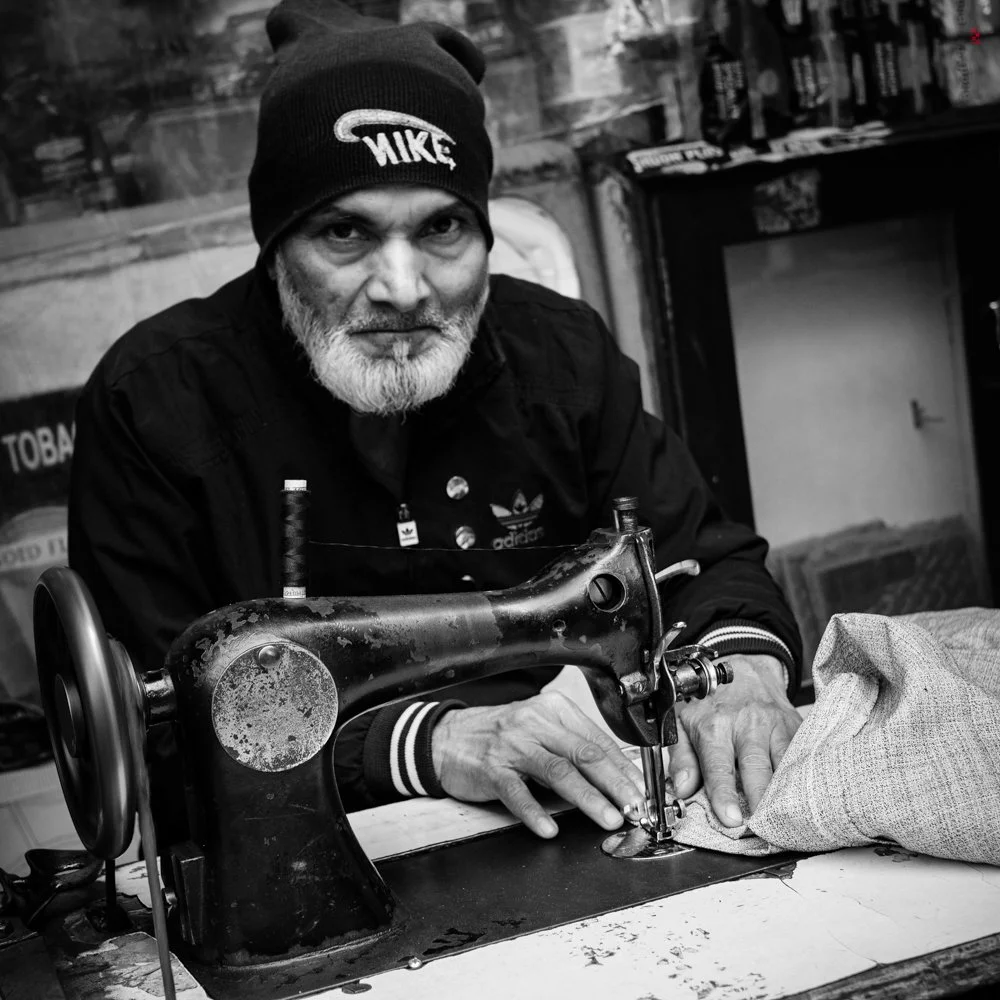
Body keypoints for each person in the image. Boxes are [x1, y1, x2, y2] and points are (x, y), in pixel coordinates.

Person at [68, 0, 803, 846]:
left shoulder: (559, 356)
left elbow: (698, 561)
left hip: (571, 817)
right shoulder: (154, 405)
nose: (403, 287)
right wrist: (426, 745)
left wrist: (740, 671)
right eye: (345, 232)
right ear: (276, 245)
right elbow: (156, 726)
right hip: (311, 852)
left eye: (442, 227)